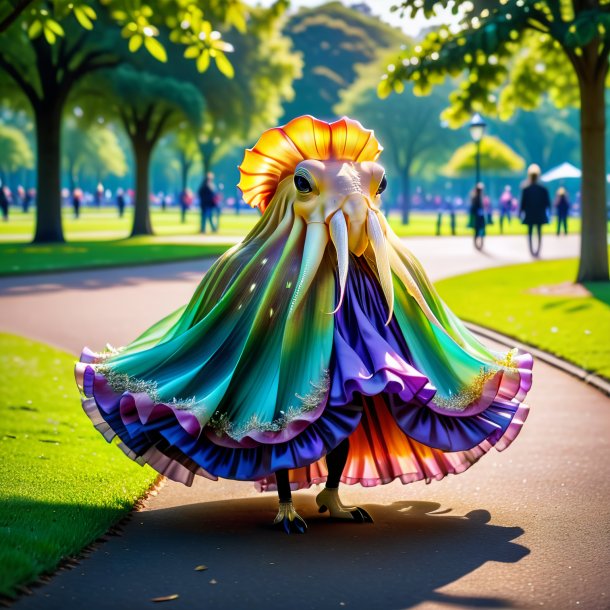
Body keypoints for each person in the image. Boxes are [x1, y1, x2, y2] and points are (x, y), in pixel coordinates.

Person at [76, 116, 532, 534]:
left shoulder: (374, 269)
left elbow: (411, 292)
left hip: (360, 322)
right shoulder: (267, 263)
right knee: (283, 404)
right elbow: (227, 301)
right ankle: (285, 501)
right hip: (294, 329)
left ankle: (331, 491)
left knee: (347, 405)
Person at [519, 164, 550, 257]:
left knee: (530, 231)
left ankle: (532, 250)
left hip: (530, 213)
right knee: (539, 231)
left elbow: (522, 203)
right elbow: (547, 203)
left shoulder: (526, 189)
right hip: (539, 213)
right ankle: (537, 250)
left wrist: (520, 213)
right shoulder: (543, 189)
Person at [468, 182, 486, 250]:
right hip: (478, 217)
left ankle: (479, 244)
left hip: (479, 216)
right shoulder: (476, 197)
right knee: (478, 229)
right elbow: (474, 208)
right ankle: (478, 244)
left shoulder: (477, 197)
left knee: (479, 229)